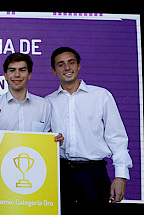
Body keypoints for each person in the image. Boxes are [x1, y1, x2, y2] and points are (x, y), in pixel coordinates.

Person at [46, 47, 133, 213]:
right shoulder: (47, 102)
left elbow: (117, 138)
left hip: (94, 175)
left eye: (71, 63)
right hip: (60, 175)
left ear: (79, 66)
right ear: (53, 70)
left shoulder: (101, 96)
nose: (67, 68)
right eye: (61, 64)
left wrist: (121, 176)